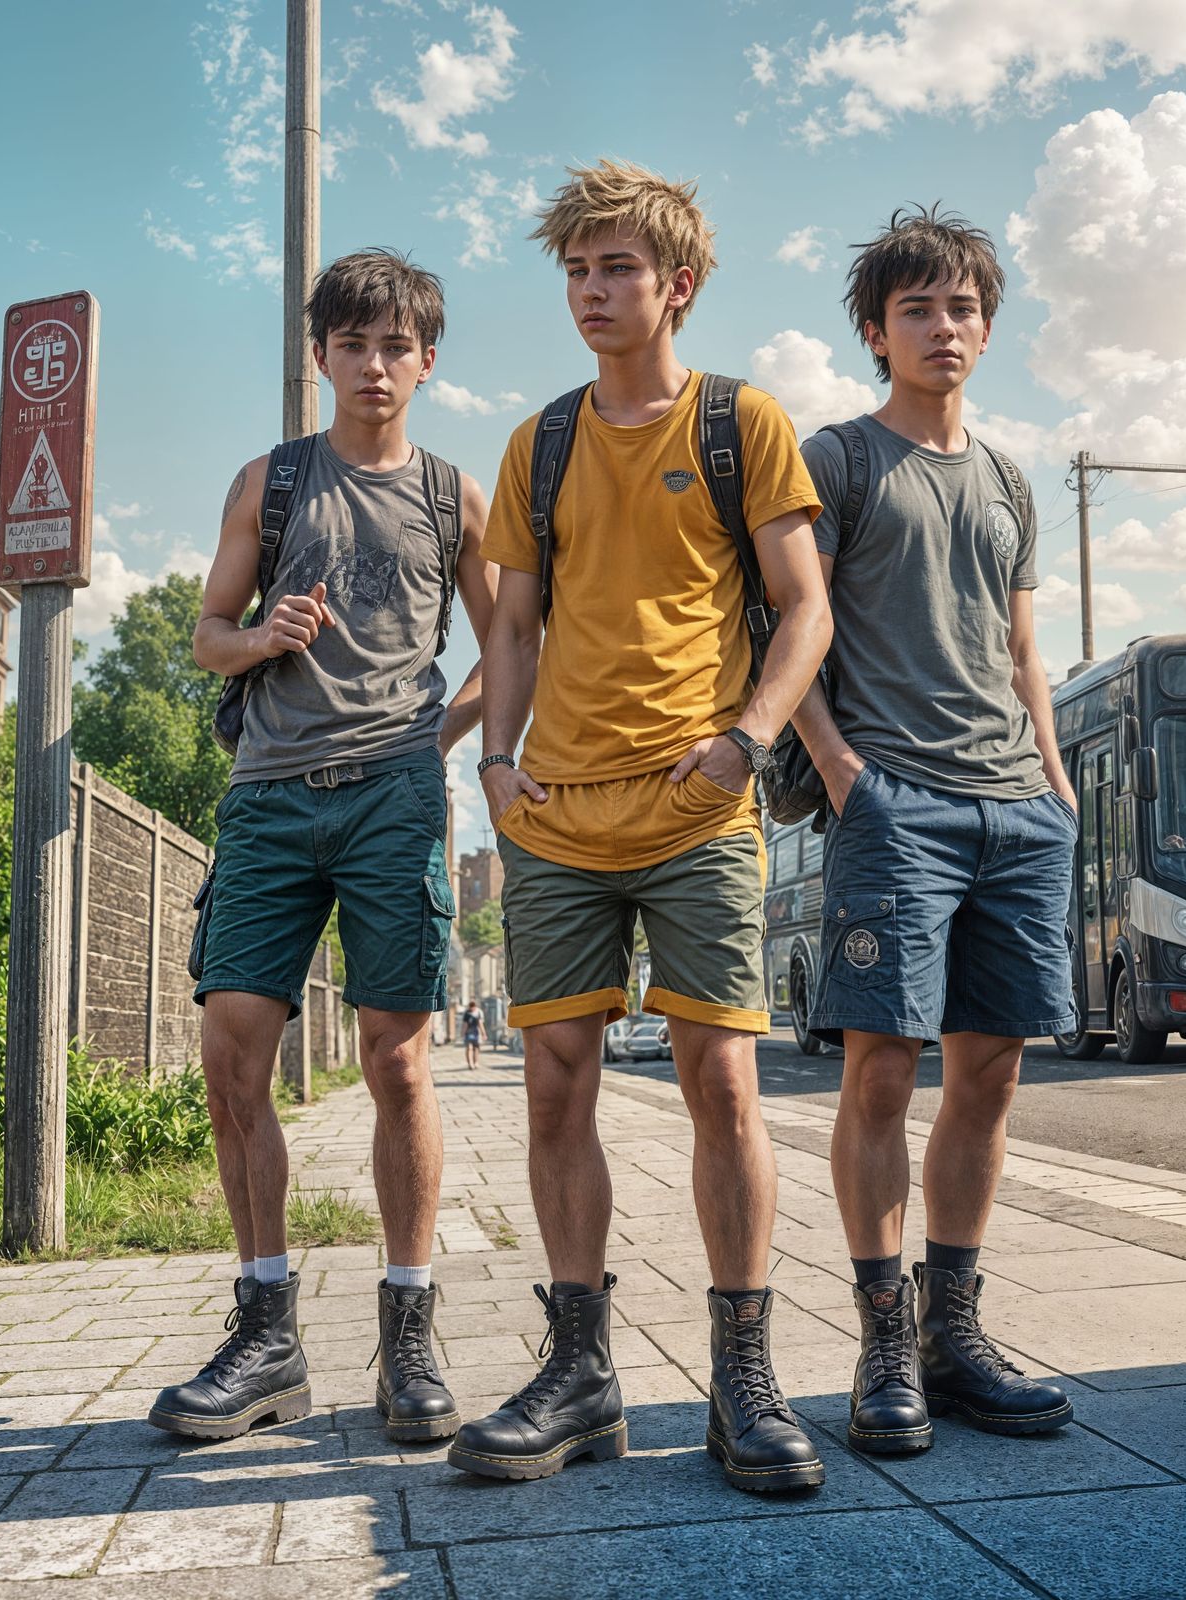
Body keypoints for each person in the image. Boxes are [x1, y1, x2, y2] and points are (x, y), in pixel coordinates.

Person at [451, 160, 833, 1492]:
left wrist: (747, 741)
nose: (592, 292)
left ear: (677, 284)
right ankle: (581, 1372)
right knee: (554, 1085)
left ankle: (744, 1381)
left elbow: (805, 609)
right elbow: (506, 624)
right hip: (554, 812)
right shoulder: (538, 442)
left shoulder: (743, 425)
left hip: (698, 809)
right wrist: (494, 769)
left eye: (616, 268)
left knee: (721, 1083)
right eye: (575, 270)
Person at [150, 250, 496, 1445]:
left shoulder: (456, 496)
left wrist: (438, 737)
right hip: (270, 798)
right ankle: (266, 1334)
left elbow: (515, 638)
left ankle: (409, 1331)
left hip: (396, 798)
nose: (375, 364)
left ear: (427, 361)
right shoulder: (272, 482)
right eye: (354, 343)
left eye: (397, 345)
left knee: (398, 1061)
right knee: (229, 1054)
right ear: (322, 358)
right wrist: (260, 638)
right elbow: (204, 633)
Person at [792, 207, 1076, 1456]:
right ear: (876, 331)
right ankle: (881, 1346)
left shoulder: (1010, 478)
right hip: (895, 804)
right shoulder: (839, 461)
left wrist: (1054, 782)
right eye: (917, 309)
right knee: (879, 1073)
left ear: (986, 326)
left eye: (961, 308)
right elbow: (785, 634)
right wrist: (846, 772)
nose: (943, 327)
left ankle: (955, 1337)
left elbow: (1022, 649)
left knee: (992, 1074)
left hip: (1014, 808)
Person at [461, 999, 484, 1068]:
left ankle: (476, 1062)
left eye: (473, 1005)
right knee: (469, 1048)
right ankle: (470, 1063)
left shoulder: (479, 1012)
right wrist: (463, 1033)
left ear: (475, 1006)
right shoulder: (467, 1013)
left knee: (476, 1048)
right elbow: (465, 1024)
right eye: (471, 1006)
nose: (472, 1007)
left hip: (476, 1033)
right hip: (468, 1033)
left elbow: (480, 1024)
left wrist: (483, 1033)